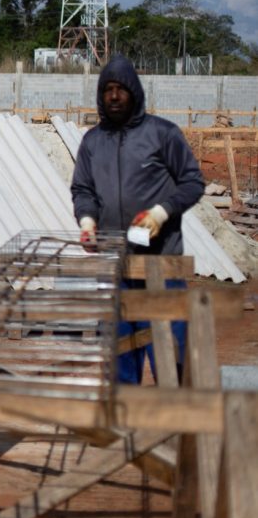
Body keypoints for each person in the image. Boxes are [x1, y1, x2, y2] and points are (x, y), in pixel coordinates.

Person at [71, 53, 205, 384]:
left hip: (161, 266)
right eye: (108, 90)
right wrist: (87, 222)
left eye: (121, 89)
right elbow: (83, 189)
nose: (114, 96)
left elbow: (192, 182)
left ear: (135, 92)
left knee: (171, 355)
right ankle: (124, 428)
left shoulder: (162, 134)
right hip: (114, 265)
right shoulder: (92, 142)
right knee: (118, 356)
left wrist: (162, 212)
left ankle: (176, 427)